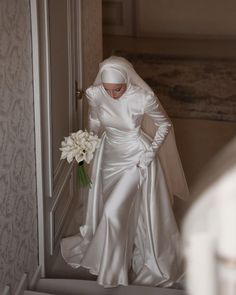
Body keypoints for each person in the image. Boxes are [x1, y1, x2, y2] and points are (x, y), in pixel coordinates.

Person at [61, 56, 189, 288]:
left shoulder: (142, 98)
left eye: (117, 89)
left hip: (136, 160)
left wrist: (149, 154)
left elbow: (164, 124)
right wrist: (86, 143)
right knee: (113, 209)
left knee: (112, 211)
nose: (112, 94)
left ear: (127, 82)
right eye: (108, 89)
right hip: (108, 158)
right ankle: (117, 253)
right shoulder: (95, 93)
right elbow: (94, 121)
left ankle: (112, 273)